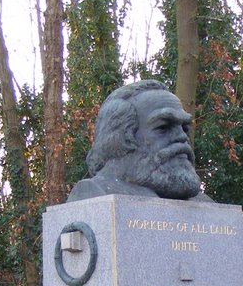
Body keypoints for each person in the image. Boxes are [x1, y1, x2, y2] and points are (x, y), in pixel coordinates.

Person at [67, 80, 212, 202]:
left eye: (185, 128)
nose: (182, 136)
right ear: (122, 138)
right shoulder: (94, 195)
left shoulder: (204, 204)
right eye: (163, 127)